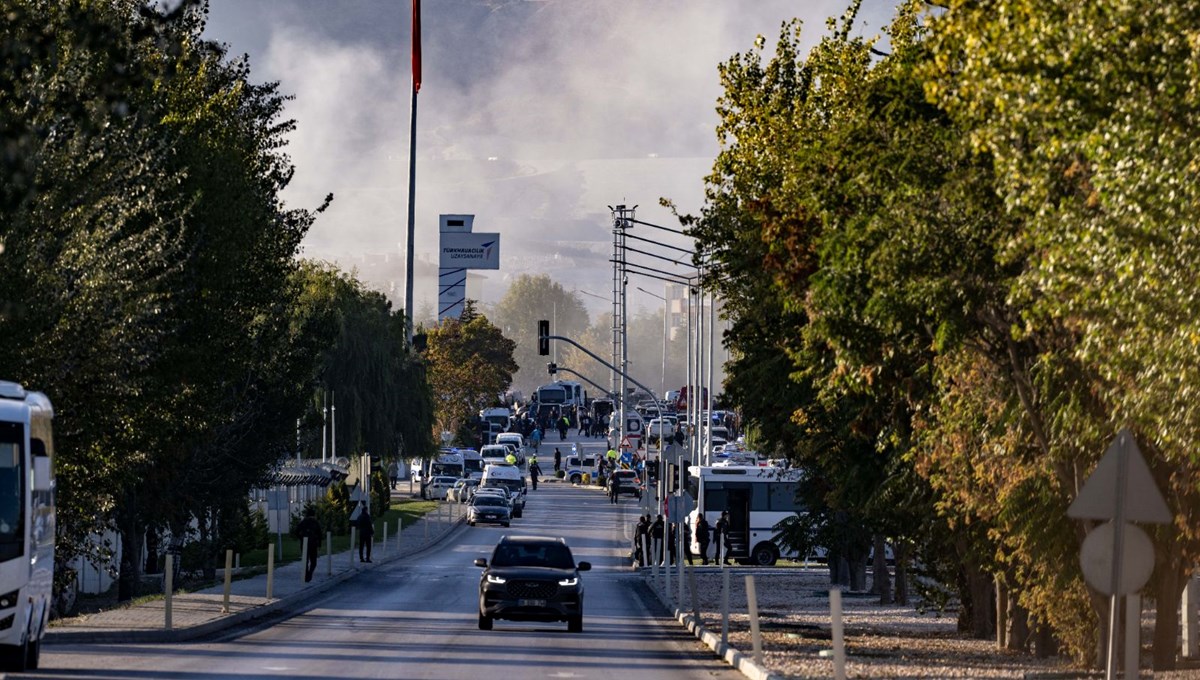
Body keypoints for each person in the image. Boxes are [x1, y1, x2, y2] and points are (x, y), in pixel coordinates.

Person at [297, 506, 322, 582]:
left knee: (305, 560)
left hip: (304, 543)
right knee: (313, 561)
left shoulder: (303, 522)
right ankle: (310, 573)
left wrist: (301, 538)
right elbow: (320, 534)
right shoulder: (315, 522)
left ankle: (305, 574)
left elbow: (296, 531)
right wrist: (319, 543)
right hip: (313, 544)